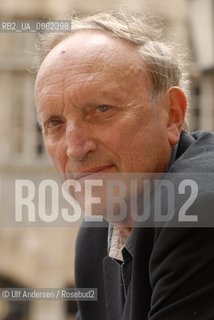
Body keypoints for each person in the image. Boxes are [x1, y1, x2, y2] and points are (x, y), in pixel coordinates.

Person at [34, 10, 214, 320]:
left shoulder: (197, 207)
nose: (75, 149)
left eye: (101, 109)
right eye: (55, 123)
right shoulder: (97, 233)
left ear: (171, 114)